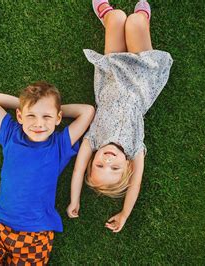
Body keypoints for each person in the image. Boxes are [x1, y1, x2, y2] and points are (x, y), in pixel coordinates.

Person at [66, 0, 173, 233]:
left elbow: (76, 171)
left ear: (92, 159)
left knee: (116, 18)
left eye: (100, 164)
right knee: (135, 21)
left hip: (112, 73)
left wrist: (75, 200)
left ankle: (106, 15)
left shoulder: (92, 139)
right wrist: (124, 214)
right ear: (127, 166)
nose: (109, 160)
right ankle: (143, 20)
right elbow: (135, 185)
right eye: (114, 168)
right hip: (141, 77)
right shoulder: (135, 149)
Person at [0, 81, 95, 265]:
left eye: (47, 117)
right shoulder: (11, 134)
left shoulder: (59, 145)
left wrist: (52, 107)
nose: (38, 123)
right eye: (31, 115)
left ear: (59, 118)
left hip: (36, 235)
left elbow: (87, 111)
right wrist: (31, 106)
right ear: (19, 115)